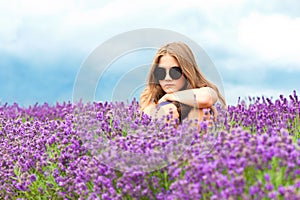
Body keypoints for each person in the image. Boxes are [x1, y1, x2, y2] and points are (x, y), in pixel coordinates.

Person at [140, 42, 226, 126]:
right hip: (165, 139)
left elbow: (206, 97)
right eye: (161, 72)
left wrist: (169, 97)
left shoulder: (203, 90)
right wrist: (160, 109)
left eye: (175, 72)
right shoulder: (150, 95)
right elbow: (146, 112)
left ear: (187, 72)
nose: (167, 78)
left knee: (200, 110)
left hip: (196, 138)